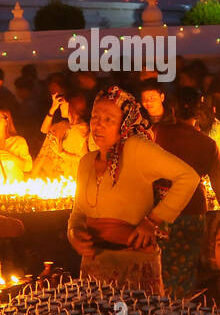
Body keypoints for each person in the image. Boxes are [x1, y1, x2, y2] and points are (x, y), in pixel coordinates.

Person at [66, 86, 199, 294]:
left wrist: (153, 220)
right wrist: (73, 233)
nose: (98, 125)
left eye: (108, 119)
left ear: (124, 124)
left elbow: (188, 177)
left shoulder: (137, 149)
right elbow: (78, 212)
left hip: (134, 265)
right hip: (95, 265)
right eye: (95, 117)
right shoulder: (86, 162)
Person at [153, 88, 220, 298]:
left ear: (172, 109)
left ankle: (156, 312)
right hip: (193, 212)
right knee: (186, 267)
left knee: (158, 264)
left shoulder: (158, 133)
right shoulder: (207, 145)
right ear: (198, 112)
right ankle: (182, 314)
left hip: (159, 211)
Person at [33, 93, 90, 178]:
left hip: (73, 176)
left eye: (62, 104)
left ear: (71, 107)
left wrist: (61, 153)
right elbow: (44, 130)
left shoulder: (79, 129)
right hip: (63, 175)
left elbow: (83, 158)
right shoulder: (65, 125)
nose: (60, 107)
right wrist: (52, 109)